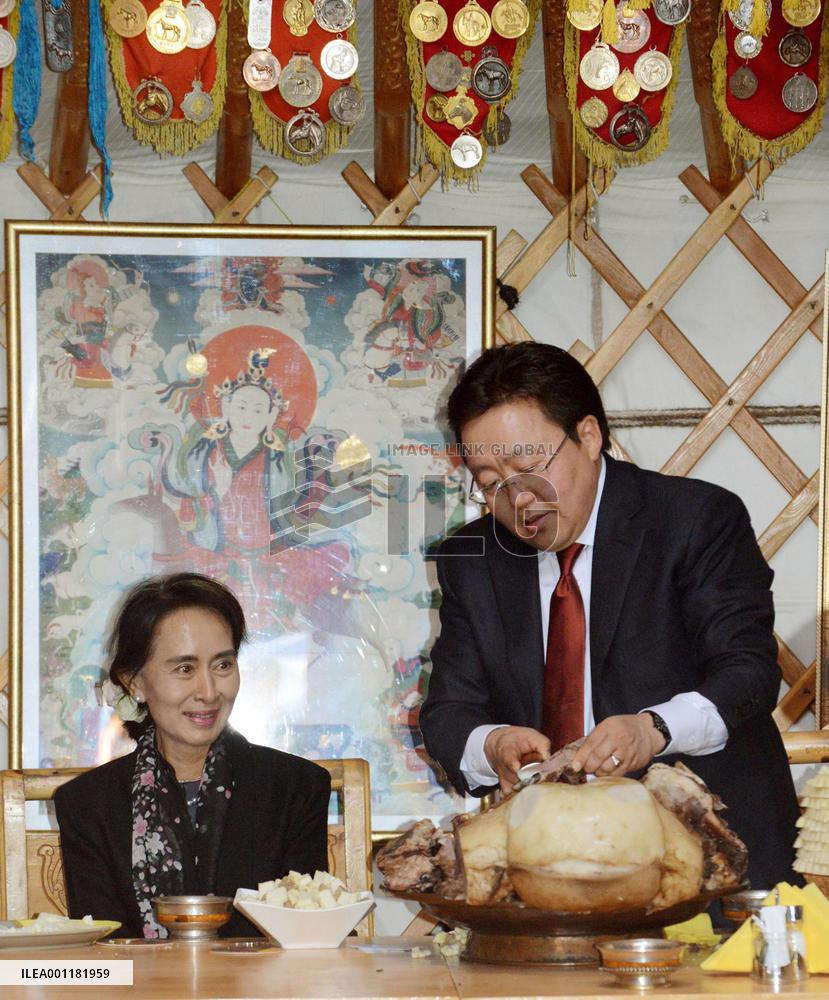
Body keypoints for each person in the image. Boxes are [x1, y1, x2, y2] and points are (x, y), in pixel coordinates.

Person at [419, 342, 800, 889]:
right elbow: (448, 713)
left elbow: (748, 674)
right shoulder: (473, 560)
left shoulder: (695, 520)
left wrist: (653, 730)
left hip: (705, 857)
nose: (517, 498)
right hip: (549, 865)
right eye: (488, 481)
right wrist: (494, 744)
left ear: (589, 436)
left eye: (529, 467)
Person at [55, 573, 331, 939]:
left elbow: (308, 936)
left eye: (222, 665)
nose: (209, 691)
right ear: (134, 682)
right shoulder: (88, 804)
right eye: (185, 669)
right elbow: (102, 956)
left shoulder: (296, 787)